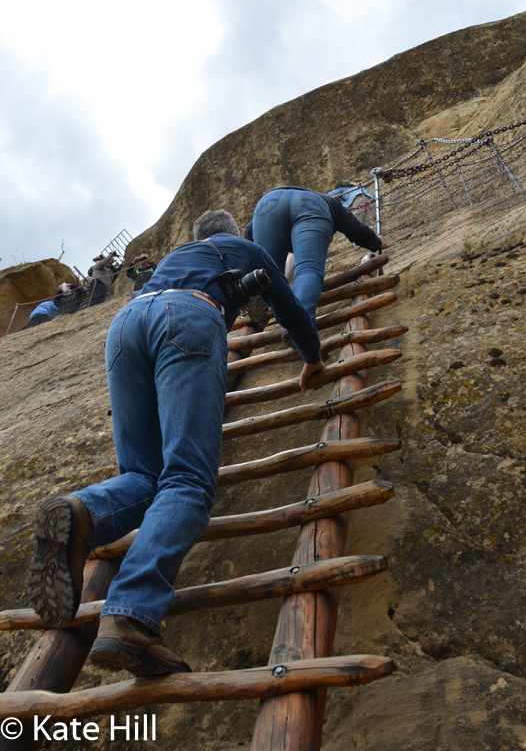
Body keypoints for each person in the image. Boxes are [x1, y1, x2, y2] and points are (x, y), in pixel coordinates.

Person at [26, 208, 323, 676]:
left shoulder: (173, 258)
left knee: (144, 476)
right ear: (229, 236)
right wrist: (312, 356)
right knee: (187, 480)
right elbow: (287, 307)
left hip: (125, 328)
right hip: (185, 317)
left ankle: (83, 511)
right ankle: (130, 615)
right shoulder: (239, 248)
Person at [245, 186, 386, 328]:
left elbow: (250, 233)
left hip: (268, 202)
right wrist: (377, 242)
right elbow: (357, 231)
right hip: (313, 205)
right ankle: (298, 324)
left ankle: (261, 288)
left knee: (268, 271)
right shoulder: (332, 204)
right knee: (308, 269)